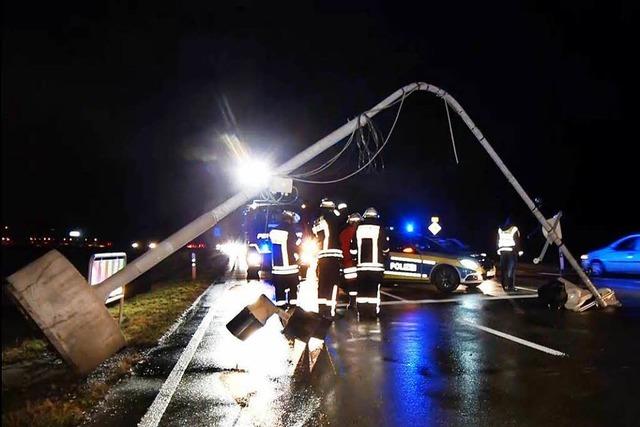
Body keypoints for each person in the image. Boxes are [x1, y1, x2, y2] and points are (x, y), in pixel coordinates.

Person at [352, 207, 389, 318]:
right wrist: (384, 256)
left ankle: (362, 312)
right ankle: (373, 312)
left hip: (361, 267)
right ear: (376, 217)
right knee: (374, 289)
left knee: (362, 289)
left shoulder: (358, 229)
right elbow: (385, 249)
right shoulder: (379, 229)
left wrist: (355, 259)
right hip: (376, 267)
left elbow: (352, 249)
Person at [312, 198, 343, 317]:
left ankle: (322, 309)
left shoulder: (318, 221)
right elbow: (342, 218)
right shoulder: (332, 218)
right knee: (333, 284)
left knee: (323, 284)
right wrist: (340, 208)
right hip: (332, 256)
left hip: (322, 257)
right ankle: (331, 310)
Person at [269, 210, 301, 307]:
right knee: (293, 293)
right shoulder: (290, 230)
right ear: (290, 220)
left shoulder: (273, 231)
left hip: (277, 269)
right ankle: (292, 312)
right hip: (290, 268)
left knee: (279, 294)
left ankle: (281, 313)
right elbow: (295, 245)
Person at [339, 212, 362, 310]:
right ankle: (355, 303)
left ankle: (352, 302)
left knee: (351, 283)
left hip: (346, 262)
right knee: (356, 284)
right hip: (356, 262)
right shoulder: (359, 232)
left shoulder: (343, 232)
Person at [497, 217, 523, 292]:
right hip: (511, 250)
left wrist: (498, 249)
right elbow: (517, 240)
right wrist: (519, 250)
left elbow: (497, 239)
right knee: (511, 269)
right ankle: (510, 287)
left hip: (502, 250)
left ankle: (503, 285)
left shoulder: (500, 229)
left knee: (503, 269)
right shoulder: (514, 229)